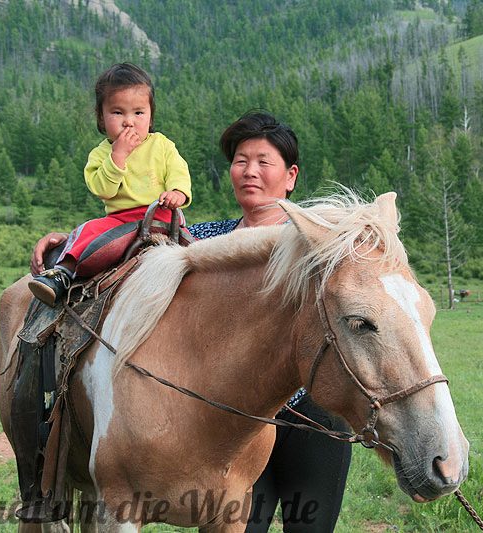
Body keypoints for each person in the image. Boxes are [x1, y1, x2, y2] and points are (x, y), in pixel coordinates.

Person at [30, 111, 352, 531]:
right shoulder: (203, 241)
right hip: (234, 426)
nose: (250, 171)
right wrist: (70, 245)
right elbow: (136, 241)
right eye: (240, 160)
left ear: (290, 176)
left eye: (263, 161)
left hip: (310, 418)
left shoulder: (317, 248)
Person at [29, 62, 191, 307]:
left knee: (201, 255)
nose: (129, 122)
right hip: (121, 221)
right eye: (118, 113)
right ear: (101, 117)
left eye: (138, 113)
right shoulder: (100, 154)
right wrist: (118, 156)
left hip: (164, 219)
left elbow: (179, 171)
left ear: (150, 115)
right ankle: (61, 274)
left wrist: (178, 192)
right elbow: (103, 189)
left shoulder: (162, 145)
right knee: (90, 234)